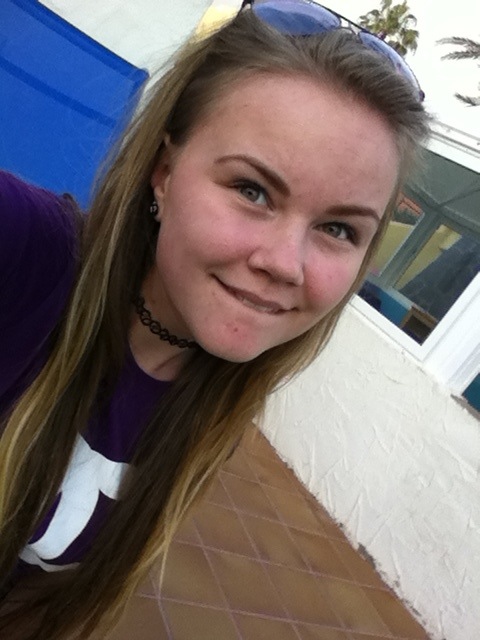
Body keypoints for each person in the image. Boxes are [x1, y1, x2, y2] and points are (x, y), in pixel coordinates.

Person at [0, 1, 429, 638]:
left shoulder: (213, 405)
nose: (285, 264)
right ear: (164, 172)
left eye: (339, 229)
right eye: (253, 190)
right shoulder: (25, 250)